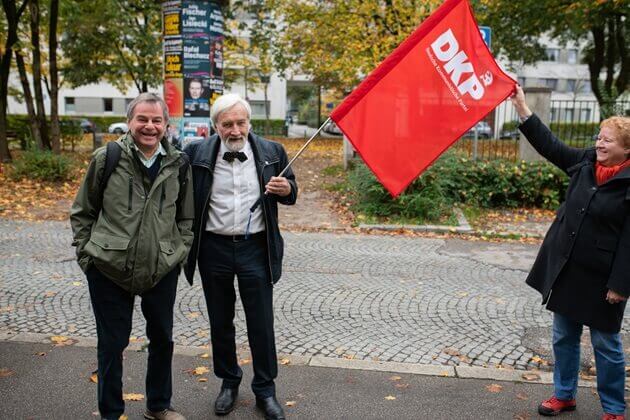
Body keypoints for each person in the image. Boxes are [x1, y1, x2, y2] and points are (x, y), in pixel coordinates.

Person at [70, 93, 194, 420]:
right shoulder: (106, 157)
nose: (149, 126)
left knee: (163, 340)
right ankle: (111, 412)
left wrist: (177, 253)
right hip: (109, 269)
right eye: (142, 119)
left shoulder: (179, 164)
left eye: (156, 120)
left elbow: (186, 218)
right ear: (130, 122)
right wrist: (88, 258)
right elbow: (83, 212)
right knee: (112, 345)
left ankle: (158, 407)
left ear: (167, 125)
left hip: (160, 268)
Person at [511, 85, 630, 420]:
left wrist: (621, 284)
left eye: (607, 140)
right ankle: (564, 395)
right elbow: (550, 146)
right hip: (569, 268)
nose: (599, 143)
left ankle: (614, 408)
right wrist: (522, 106)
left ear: (626, 148)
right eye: (598, 137)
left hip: (604, 277)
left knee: (606, 347)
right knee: (564, 336)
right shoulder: (584, 163)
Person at [184, 93, 297, 420]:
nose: (235, 130)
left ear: (249, 122)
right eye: (227, 124)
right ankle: (229, 382)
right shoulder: (195, 153)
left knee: (260, 322)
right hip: (213, 248)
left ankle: (265, 389)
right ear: (215, 125)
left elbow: (292, 191)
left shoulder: (272, 152)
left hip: (255, 247)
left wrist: (286, 190)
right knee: (221, 321)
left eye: (241, 123)